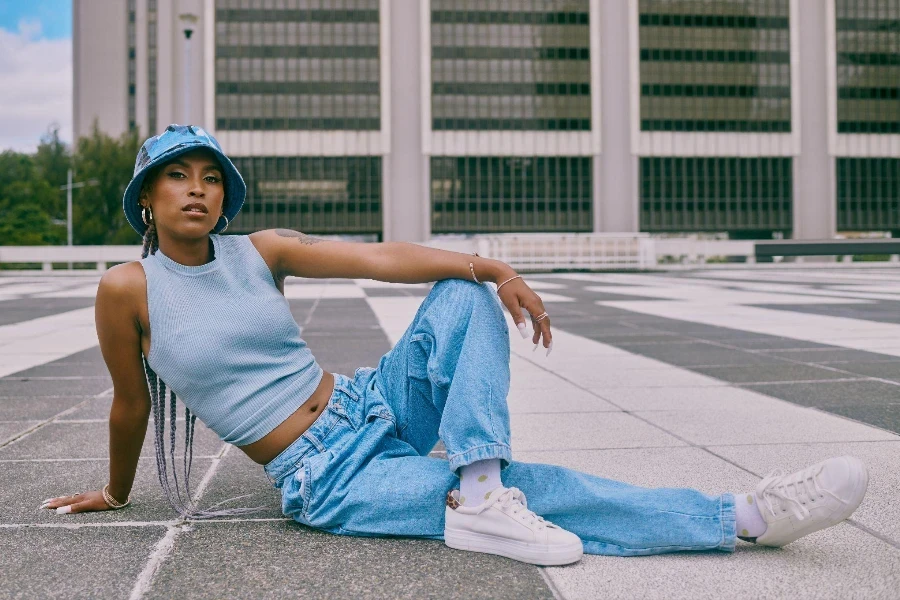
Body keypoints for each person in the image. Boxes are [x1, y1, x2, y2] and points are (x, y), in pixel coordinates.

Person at [40, 124, 869, 565]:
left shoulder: (258, 250)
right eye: (179, 176)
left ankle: (478, 485)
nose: (199, 190)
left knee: (461, 294)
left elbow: (377, 257)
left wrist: (491, 264)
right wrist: (116, 494)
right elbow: (131, 401)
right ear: (145, 196)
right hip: (324, 475)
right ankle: (746, 518)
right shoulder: (127, 289)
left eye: (211, 175)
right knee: (537, 486)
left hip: (372, 402)